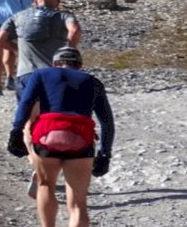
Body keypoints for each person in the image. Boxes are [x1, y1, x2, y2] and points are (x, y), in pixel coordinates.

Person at [7, 47, 114, 227]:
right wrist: (105, 153)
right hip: (81, 142)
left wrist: (16, 131)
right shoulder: (93, 82)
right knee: (78, 203)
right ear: (79, 65)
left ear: (55, 63)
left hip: (47, 139)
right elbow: (107, 121)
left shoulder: (41, 75)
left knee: (45, 186)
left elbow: (26, 103)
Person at [0, 0, 81, 99]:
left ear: (36, 2)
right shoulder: (64, 16)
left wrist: (16, 48)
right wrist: (69, 49)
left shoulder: (17, 17)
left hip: (26, 74)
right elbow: (74, 30)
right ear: (57, 3)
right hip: (54, 73)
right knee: (53, 111)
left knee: (28, 112)